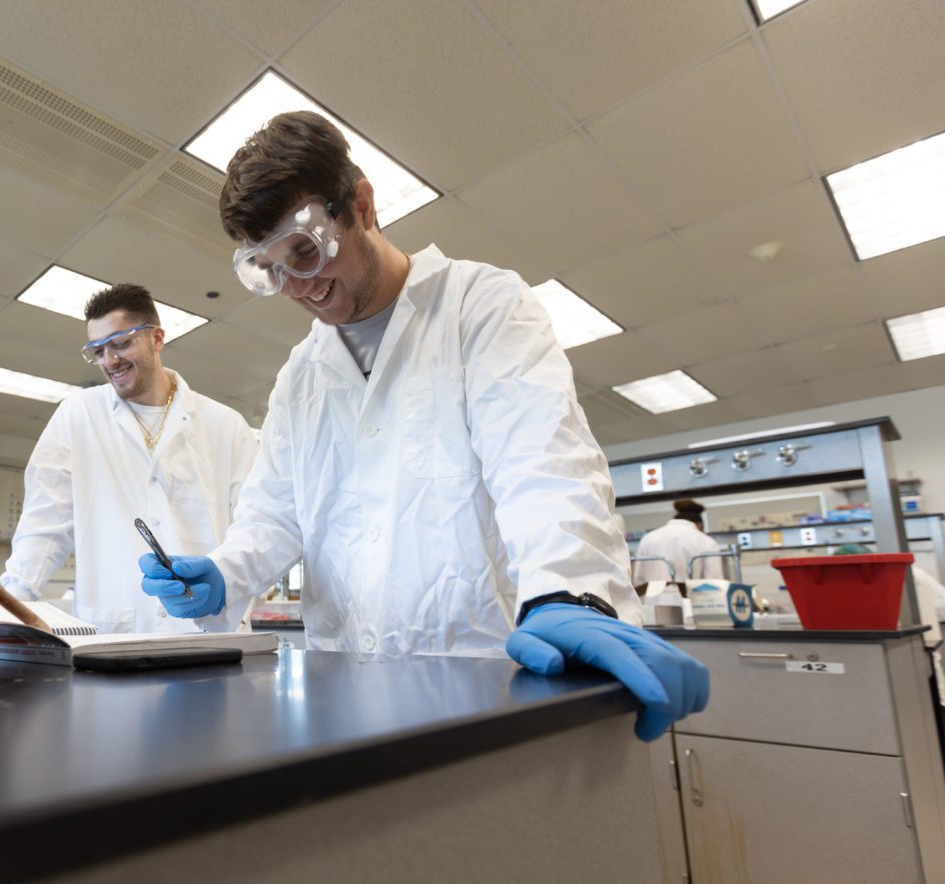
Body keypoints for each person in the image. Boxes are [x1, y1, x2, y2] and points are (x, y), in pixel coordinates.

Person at [138, 111, 707, 741]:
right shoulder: (302, 375)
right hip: (345, 694)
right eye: (272, 271)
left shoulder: (482, 306)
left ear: (362, 205)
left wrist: (568, 592)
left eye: (306, 251)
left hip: (495, 684)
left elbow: (542, 464)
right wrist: (227, 574)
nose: (299, 285)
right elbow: (276, 512)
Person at [1, 283, 259, 633]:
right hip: (112, 633)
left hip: (208, 630)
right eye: (98, 350)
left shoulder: (226, 426)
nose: (110, 360)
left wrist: (230, 588)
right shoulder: (78, 415)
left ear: (157, 338)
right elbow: (44, 525)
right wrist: (12, 606)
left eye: (121, 343)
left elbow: (256, 528)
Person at [633, 499, 724, 596]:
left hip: (652, 605)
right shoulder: (705, 541)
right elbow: (714, 583)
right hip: (690, 604)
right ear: (699, 525)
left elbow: (638, 579)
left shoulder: (648, 538)